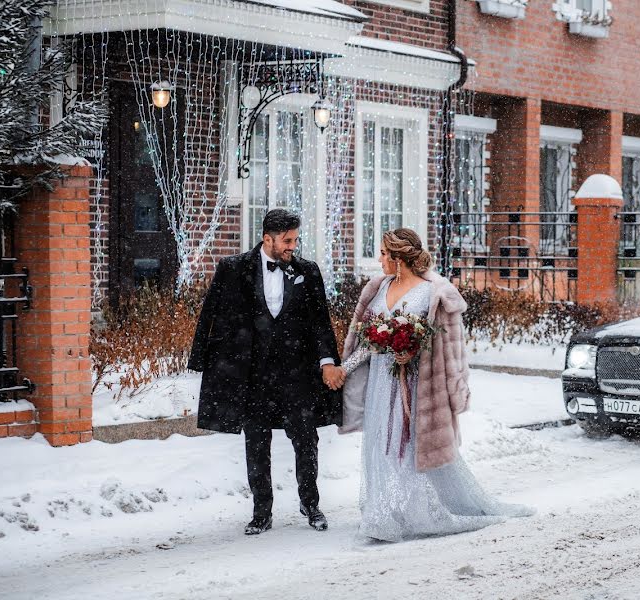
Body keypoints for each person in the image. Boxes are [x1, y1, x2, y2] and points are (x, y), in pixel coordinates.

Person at [339, 228, 533, 542]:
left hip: (418, 384)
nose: (379, 259)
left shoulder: (434, 292)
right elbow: (366, 340)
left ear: (399, 258)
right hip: (380, 383)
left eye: (384, 254)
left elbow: (451, 349)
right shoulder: (377, 288)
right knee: (380, 445)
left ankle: (420, 511)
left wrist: (412, 352)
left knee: (414, 444)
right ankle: (383, 512)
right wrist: (344, 369)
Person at [188, 209, 346, 535]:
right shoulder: (233, 269)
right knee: (256, 443)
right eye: (287, 241)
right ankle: (262, 512)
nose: (293, 246)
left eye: (295, 240)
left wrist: (327, 360)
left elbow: (320, 322)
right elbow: (211, 314)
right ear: (267, 238)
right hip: (253, 375)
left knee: (306, 440)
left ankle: (310, 503)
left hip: (296, 376)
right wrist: (201, 358)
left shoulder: (307, 271)